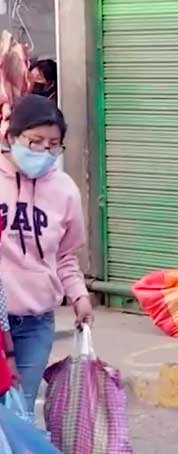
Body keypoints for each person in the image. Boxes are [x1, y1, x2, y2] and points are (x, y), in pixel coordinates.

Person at [0, 94, 92, 414]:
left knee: (20, 413)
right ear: (12, 137)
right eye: (35, 141)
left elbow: (66, 255)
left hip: (37, 322)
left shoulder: (65, 190)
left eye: (54, 144)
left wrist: (78, 295)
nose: (45, 151)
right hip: (0, 322)